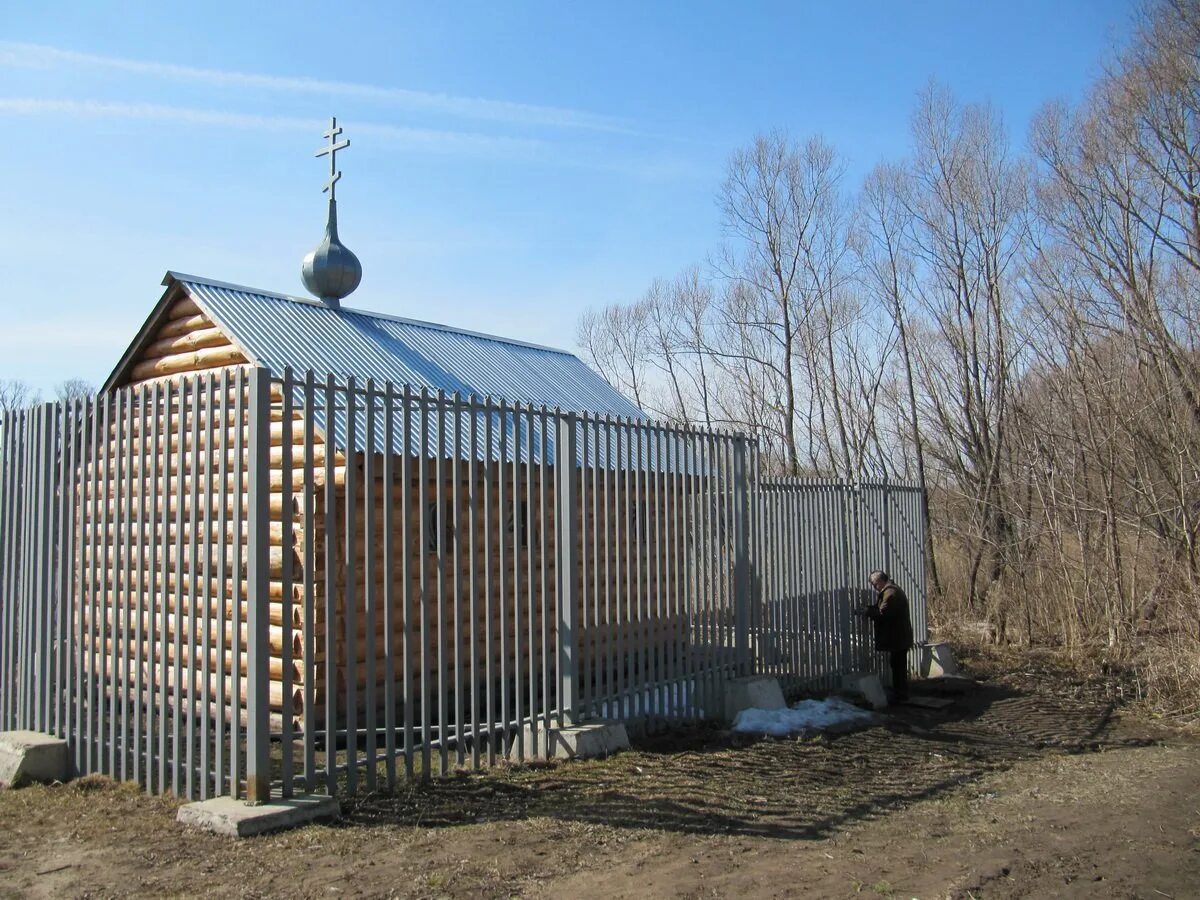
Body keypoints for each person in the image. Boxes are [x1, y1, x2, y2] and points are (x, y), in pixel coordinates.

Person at [858, 570, 915, 702]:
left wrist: (868, 611)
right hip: (900, 636)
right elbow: (882, 609)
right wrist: (871, 608)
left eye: (874, 584)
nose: (874, 587)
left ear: (880, 581)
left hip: (898, 637)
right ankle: (900, 693)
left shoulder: (890, 593)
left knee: (898, 666)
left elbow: (883, 612)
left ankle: (900, 695)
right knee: (898, 665)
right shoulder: (892, 591)